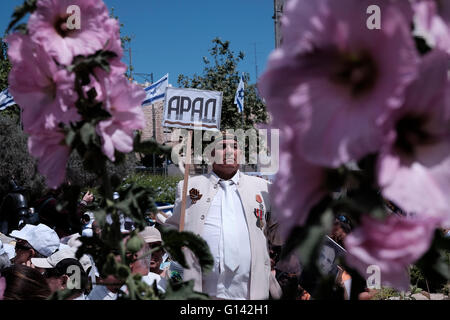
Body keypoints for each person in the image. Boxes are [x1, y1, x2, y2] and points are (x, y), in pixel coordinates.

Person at [166, 132, 281, 300]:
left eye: (235, 147)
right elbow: (172, 228)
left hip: (250, 293)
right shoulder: (188, 187)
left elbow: (278, 237)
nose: (229, 152)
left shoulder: (264, 188)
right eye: (222, 147)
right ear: (210, 153)